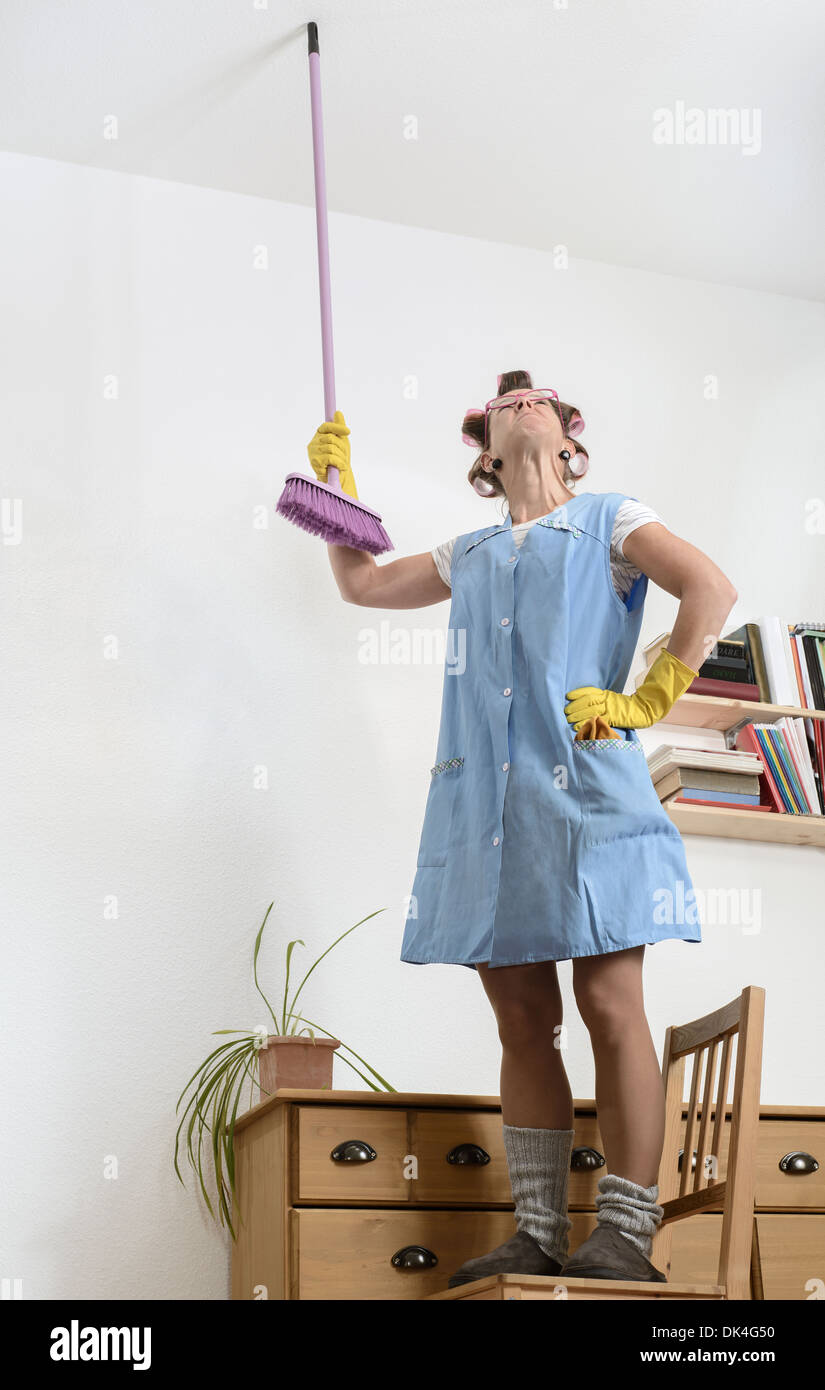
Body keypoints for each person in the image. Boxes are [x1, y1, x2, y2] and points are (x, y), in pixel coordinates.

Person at [306, 369, 737, 1286]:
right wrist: (339, 497)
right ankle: (539, 1231)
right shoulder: (469, 551)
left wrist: (649, 694)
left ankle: (622, 1230)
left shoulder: (612, 521)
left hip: (590, 795)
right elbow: (365, 585)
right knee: (522, 1021)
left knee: (611, 1007)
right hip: (484, 808)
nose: (518, 395)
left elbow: (708, 587)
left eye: (537, 393)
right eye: (503, 400)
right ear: (484, 454)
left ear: (568, 438)